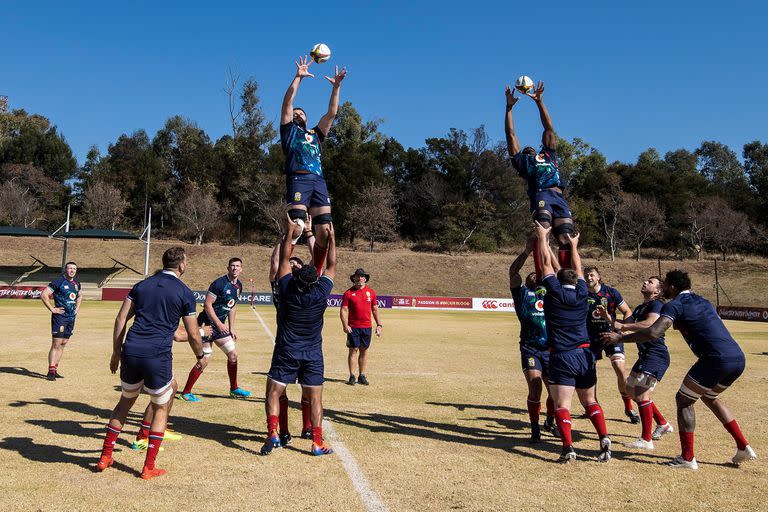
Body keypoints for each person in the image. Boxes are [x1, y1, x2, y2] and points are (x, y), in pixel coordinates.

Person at [602, 270, 757, 469]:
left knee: (683, 400)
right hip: (737, 358)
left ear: (672, 287)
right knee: (710, 397)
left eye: (664, 284)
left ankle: (687, 457)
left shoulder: (676, 305)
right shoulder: (703, 301)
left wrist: (620, 338)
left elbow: (654, 332)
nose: (662, 288)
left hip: (714, 360)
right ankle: (743, 446)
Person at [96, 247, 204, 479]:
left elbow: (121, 317)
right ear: (182, 265)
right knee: (161, 407)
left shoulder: (142, 285)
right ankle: (148, 467)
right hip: (157, 355)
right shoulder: (185, 292)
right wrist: (200, 356)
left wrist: (116, 352)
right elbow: (194, 334)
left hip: (131, 350)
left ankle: (105, 456)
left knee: (124, 404)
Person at [534, 222, 611, 463]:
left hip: (562, 356)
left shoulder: (554, 292)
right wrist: (574, 246)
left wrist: (542, 238)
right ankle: (604, 438)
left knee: (562, 405)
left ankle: (568, 447)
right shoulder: (582, 293)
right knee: (590, 401)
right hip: (585, 354)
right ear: (576, 280)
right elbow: (578, 269)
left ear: (557, 279)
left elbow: (546, 263)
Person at [261, 216, 336, 456]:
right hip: (312, 353)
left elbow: (282, 259)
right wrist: (331, 239)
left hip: (287, 350)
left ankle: (273, 432)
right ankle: (316, 442)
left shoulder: (286, 289)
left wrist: (290, 234)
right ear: (316, 281)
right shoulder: (321, 293)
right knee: (315, 398)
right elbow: (332, 266)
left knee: (273, 392)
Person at [280, 54, 346, 273]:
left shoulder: (316, 134)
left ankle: (315, 273)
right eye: (295, 113)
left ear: (307, 119)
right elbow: (288, 101)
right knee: (297, 226)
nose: (297, 113)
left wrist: (336, 87)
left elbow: (332, 113)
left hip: (318, 182)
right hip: (298, 178)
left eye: (301, 113)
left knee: (325, 231)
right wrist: (298, 77)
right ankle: (284, 271)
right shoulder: (289, 131)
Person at [505, 81, 575, 278]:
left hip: (559, 197)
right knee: (543, 234)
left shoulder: (548, 154)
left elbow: (549, 128)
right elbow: (510, 135)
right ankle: (549, 275)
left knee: (566, 240)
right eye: (525, 149)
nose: (528, 148)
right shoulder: (521, 161)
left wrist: (539, 102)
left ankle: (568, 280)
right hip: (541, 195)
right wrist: (509, 108)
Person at [603, 276, 673, 449]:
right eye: (646, 281)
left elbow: (650, 324)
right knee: (630, 390)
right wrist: (607, 317)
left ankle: (646, 440)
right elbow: (621, 325)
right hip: (645, 355)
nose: (645, 282)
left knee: (641, 394)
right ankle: (662, 423)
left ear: (658, 291)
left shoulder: (656, 305)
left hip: (656, 355)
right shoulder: (641, 307)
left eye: (650, 282)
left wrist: (624, 328)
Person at [268, 218, 317, 446]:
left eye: (299, 265)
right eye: (292, 263)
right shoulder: (283, 285)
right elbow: (278, 260)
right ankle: (284, 430)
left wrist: (295, 233)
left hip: (295, 343)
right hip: (286, 342)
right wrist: (295, 236)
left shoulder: (306, 284)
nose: (295, 265)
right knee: (283, 389)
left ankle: (307, 427)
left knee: (307, 390)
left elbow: (318, 259)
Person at [130, 324, 212, 451]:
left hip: (157, 352)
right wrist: (201, 332)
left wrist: (193, 329)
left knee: (173, 387)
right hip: (152, 353)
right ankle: (141, 438)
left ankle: (161, 427)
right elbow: (178, 336)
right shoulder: (162, 304)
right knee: (160, 394)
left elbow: (175, 327)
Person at [180, 258, 250, 401]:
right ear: (228, 268)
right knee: (204, 360)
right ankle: (186, 392)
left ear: (241, 269)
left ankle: (234, 389)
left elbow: (232, 306)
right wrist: (219, 324)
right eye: (232, 266)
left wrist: (231, 328)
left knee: (233, 355)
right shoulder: (219, 283)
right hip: (206, 325)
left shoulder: (239, 286)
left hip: (219, 327)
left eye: (238, 266)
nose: (235, 268)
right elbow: (207, 305)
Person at [509, 237, 556, 442]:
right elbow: (513, 272)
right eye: (530, 274)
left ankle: (550, 421)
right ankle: (535, 428)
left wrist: (546, 248)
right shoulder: (522, 294)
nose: (533, 274)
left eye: (537, 273)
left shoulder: (551, 294)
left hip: (552, 348)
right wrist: (527, 251)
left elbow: (559, 272)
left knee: (554, 391)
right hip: (530, 348)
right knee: (535, 386)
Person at [584, 266, 638, 423]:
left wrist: (623, 329)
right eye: (586, 275)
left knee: (620, 369)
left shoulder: (611, 292)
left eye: (592, 275)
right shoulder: (581, 293)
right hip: (590, 338)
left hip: (611, 335)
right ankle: (593, 406)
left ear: (598, 277)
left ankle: (628, 407)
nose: (589, 278)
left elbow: (627, 311)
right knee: (589, 373)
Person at [341, 268, 382, 386]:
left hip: (366, 327)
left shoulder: (371, 293)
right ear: (354, 278)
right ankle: (352, 376)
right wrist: (345, 325)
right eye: (357, 276)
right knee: (353, 350)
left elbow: (375, 309)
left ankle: (362, 375)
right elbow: (343, 310)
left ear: (365, 279)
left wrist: (379, 324)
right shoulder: (348, 293)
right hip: (353, 327)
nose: (359, 278)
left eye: (362, 276)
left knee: (364, 350)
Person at [41, 261, 82, 380]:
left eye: (74, 269)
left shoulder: (76, 283)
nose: (72, 270)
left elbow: (79, 296)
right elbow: (44, 294)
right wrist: (52, 309)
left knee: (64, 343)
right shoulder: (58, 281)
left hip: (71, 318)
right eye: (70, 268)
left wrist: (77, 309)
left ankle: (55, 369)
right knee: (56, 343)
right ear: (65, 270)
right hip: (60, 317)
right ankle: (50, 372)